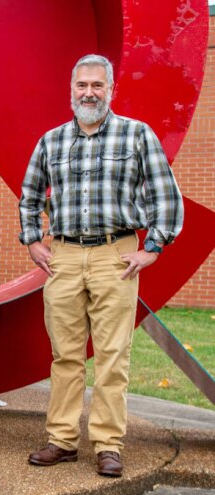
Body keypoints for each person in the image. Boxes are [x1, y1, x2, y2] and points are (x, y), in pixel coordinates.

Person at [19, 54, 183, 477]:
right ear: (70, 89)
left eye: (97, 85)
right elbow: (30, 196)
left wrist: (153, 248)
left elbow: (167, 196)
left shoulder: (136, 136)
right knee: (65, 355)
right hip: (65, 258)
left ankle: (108, 444)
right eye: (82, 85)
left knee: (113, 355)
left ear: (111, 90)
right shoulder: (51, 141)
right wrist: (33, 241)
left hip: (117, 255)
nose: (89, 92)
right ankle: (62, 440)